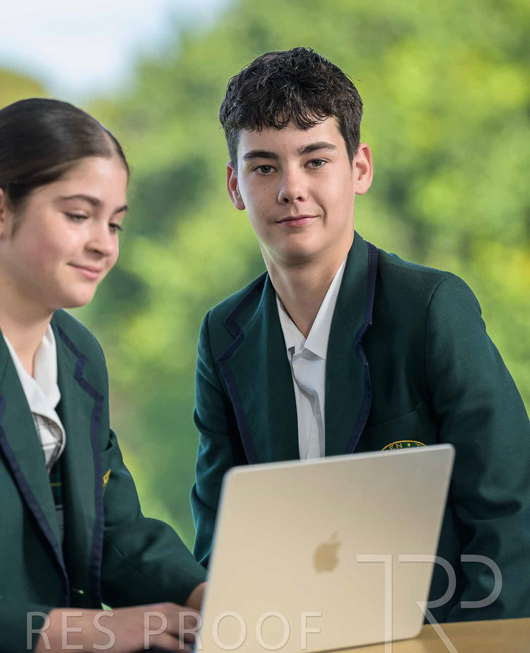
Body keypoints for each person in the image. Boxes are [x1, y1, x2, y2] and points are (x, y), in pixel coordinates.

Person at [191, 47, 530, 624]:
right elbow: (219, 538)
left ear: (360, 168)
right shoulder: (224, 334)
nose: (291, 189)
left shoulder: (431, 308)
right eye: (264, 167)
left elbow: (511, 515)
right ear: (234, 185)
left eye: (315, 160)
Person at [0, 98, 206, 653]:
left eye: (115, 223)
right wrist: (101, 631)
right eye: (78, 216)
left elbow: (112, 531)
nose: (104, 244)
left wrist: (211, 597)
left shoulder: (78, 355)